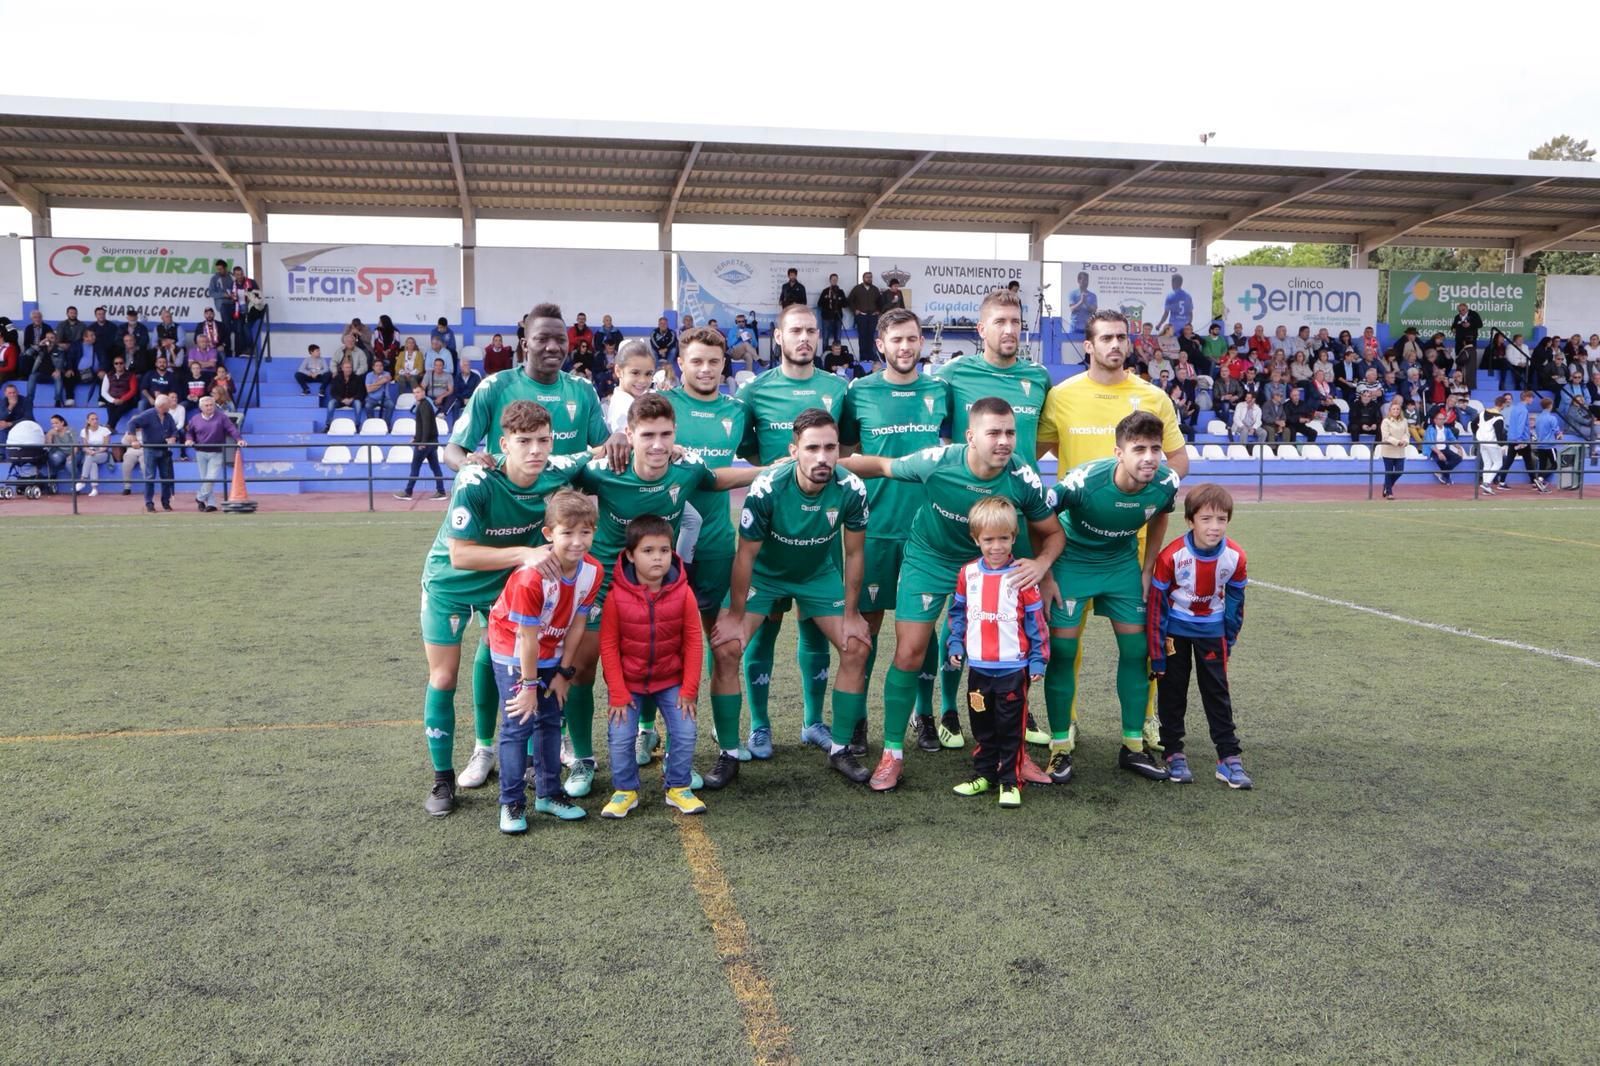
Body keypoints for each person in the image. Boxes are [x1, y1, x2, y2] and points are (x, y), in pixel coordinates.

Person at [840, 398, 1063, 791]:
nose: (1004, 441)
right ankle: (892, 752)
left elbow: (1054, 532)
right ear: (970, 436)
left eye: (1010, 432)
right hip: (930, 559)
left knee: (1010, 658)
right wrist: (816, 466)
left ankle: (1015, 757)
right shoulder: (938, 461)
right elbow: (879, 465)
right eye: (994, 432)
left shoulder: (1023, 476)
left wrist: (1042, 567)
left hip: (991, 564)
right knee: (909, 651)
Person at [417, 401, 589, 817]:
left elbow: (601, 454)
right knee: (443, 677)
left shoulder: (556, 470)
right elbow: (459, 555)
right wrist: (525, 554)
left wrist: (629, 443)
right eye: (524, 441)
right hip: (450, 586)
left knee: (497, 665)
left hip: (501, 589)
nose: (535, 450)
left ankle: (491, 750)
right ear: (503, 443)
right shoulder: (476, 479)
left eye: (543, 440)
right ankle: (442, 777)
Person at [1035, 307, 1187, 758]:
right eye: (1106, 338)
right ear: (1089, 345)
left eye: (1122, 337)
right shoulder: (1062, 396)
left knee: (1139, 645)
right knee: (1067, 647)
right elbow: (1033, 453)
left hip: (1129, 547)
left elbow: (1176, 463)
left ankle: (1142, 725)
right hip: (1073, 542)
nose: (1115, 345)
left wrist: (1155, 487)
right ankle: (1067, 726)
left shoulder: (1153, 396)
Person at [710, 408, 874, 786]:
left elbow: (855, 554)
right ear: (794, 450)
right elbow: (746, 554)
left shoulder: (851, 488)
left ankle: (841, 750)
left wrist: (851, 613)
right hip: (766, 575)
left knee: (857, 646)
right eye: (812, 448)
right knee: (727, 647)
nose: (822, 457)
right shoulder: (768, 486)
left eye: (830, 447)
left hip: (817, 574)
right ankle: (729, 753)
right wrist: (735, 614)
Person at [734, 304, 850, 756]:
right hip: (769, 531)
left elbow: (846, 445)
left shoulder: (838, 388)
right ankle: (760, 726)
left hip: (822, 530)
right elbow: (747, 449)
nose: (804, 338)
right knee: (762, 628)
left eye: (811, 331)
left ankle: (812, 722)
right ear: (778, 338)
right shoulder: (756, 392)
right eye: (794, 331)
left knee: (816, 627)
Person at [1041, 412, 1179, 783]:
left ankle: (1133, 747)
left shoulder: (1166, 482)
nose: (1149, 457)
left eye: (1155, 449)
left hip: (1120, 565)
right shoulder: (1083, 482)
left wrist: (1148, 567)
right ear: (1119, 452)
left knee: (1137, 652)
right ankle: (1059, 748)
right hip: (1072, 561)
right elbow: (1036, 515)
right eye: (1138, 449)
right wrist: (1046, 573)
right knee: (1064, 652)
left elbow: (1161, 515)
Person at [837, 309, 951, 756]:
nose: (905, 347)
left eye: (912, 339)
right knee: (869, 625)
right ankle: (860, 718)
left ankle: (925, 716)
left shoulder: (941, 391)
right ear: (880, 345)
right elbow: (845, 456)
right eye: (896, 340)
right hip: (876, 528)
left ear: (921, 342)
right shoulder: (859, 392)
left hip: (931, 529)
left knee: (924, 628)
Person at [664, 326, 756, 775]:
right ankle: (650, 730)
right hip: (663, 549)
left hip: (718, 546)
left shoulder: (737, 412)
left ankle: (729, 750)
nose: (705, 369)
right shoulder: (663, 408)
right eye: (696, 361)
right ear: (680, 362)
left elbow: (761, 455)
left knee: (724, 648)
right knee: (662, 649)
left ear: (725, 365)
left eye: (714, 362)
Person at [486, 489, 603, 833]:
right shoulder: (531, 577)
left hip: (552, 645)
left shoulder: (592, 571)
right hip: (515, 648)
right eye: (568, 533)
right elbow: (525, 637)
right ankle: (511, 803)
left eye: (586, 532)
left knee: (552, 720)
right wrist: (528, 685)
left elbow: (579, 623)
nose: (578, 542)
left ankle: (549, 794)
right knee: (518, 723)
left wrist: (565, 672)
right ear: (549, 534)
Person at [599, 515, 706, 819]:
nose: (657, 557)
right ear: (630, 555)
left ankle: (678, 787)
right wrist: (618, 692)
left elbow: (694, 642)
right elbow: (608, 646)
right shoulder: (616, 597)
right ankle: (625, 791)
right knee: (620, 736)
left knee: (685, 730)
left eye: (664, 550)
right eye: (647, 551)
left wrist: (689, 690)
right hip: (629, 683)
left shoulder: (684, 592)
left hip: (671, 679)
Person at [945, 496, 1048, 809]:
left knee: (1009, 729)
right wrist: (955, 643)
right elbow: (958, 612)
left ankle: (1009, 782)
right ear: (976, 539)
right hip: (978, 669)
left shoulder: (1022, 576)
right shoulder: (968, 575)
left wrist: (1037, 659)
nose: (996, 546)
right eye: (988, 540)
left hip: (1012, 671)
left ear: (1014, 538)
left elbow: (1036, 622)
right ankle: (985, 775)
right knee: (982, 727)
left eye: (1004, 538)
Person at [1147, 483, 1252, 789]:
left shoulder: (1235, 556)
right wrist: (1156, 651)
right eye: (1206, 519)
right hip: (1175, 634)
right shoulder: (1172, 556)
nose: (1214, 527)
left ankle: (1228, 757)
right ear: (1190, 520)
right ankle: (1173, 752)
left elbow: (1235, 603)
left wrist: (1228, 639)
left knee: (1217, 693)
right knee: (1173, 692)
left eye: (1221, 519)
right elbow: (1156, 607)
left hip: (1212, 633)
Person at [446, 302, 620, 473]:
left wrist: (618, 440)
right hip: (510, 500)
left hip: (566, 500)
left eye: (561, 340)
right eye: (542, 339)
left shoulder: (583, 389)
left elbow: (604, 449)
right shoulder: (494, 387)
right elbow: (453, 450)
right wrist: (467, 462)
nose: (553, 347)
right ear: (524, 345)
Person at [185, 394, 246, 511]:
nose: (209, 407)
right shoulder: (195, 419)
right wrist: (189, 439)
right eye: (206, 405)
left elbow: (231, 429)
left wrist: (239, 439)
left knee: (211, 478)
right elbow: (189, 432)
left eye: (211, 405)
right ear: (201, 407)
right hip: (200, 452)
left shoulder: (222, 417)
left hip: (216, 452)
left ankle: (200, 497)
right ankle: (211, 504)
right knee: (205, 479)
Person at [126, 394, 179, 512]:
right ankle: (149, 503)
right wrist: (134, 439)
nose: (171, 406)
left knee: (166, 477)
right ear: (162, 406)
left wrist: (173, 438)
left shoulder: (168, 416)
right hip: (150, 450)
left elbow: (175, 431)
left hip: (164, 450)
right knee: (150, 477)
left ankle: (166, 502)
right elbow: (132, 423)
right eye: (168, 404)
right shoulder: (148, 414)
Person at [604, 340, 656, 434]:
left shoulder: (643, 398)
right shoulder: (622, 408)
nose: (642, 380)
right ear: (618, 371)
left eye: (648, 374)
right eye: (635, 373)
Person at [1476, 394, 1509, 496]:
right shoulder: (1498, 417)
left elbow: (1473, 424)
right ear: (1502, 404)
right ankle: (1487, 483)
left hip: (1482, 441)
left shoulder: (1483, 412)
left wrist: (1479, 434)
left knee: (1487, 463)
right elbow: (1499, 433)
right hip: (1492, 443)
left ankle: (1486, 486)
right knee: (1498, 463)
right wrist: (1503, 445)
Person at [74, 410, 111, 496]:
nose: (95, 421)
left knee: (90, 458)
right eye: (92, 419)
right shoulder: (84, 431)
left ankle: (82, 480)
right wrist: (89, 451)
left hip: (102, 453)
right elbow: (85, 447)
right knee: (92, 462)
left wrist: (96, 452)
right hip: (90, 454)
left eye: (96, 419)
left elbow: (105, 446)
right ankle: (94, 488)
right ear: (88, 421)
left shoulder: (105, 430)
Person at [1423, 407, 1464, 485]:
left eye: (1443, 419)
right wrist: (1439, 453)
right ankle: (1446, 478)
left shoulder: (1446, 429)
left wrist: (1459, 448)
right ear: (1435, 420)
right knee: (1441, 461)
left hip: (1444, 448)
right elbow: (1431, 444)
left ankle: (1442, 473)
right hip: (1433, 450)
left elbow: (1452, 439)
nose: (1441, 420)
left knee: (1458, 458)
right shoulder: (1430, 429)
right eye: (1439, 419)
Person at [1378, 397, 1409, 499]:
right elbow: (1386, 437)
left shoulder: (1404, 421)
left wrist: (1405, 441)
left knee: (1400, 471)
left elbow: (1406, 433)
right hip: (1389, 450)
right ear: (1390, 411)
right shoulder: (1386, 421)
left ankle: (1387, 486)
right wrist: (1397, 442)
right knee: (1389, 471)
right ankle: (1389, 493)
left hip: (1400, 451)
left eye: (1398, 409)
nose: (1396, 411)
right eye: (1394, 409)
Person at [99, 354, 139, 431]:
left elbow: (133, 390)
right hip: (113, 399)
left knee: (120, 407)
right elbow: (103, 392)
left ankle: (109, 426)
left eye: (121, 363)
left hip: (127, 400)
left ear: (124, 364)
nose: (119, 365)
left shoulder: (131, 375)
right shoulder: (108, 375)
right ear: (114, 365)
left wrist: (122, 399)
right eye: (116, 363)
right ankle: (111, 427)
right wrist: (113, 400)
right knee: (111, 405)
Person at [847, 271, 881, 357]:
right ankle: (863, 357)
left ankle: (871, 356)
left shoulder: (875, 289)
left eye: (870, 277)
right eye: (867, 277)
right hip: (861, 316)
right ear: (863, 278)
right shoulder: (857, 288)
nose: (869, 279)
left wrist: (878, 310)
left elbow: (880, 302)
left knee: (871, 336)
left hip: (872, 316)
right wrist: (855, 310)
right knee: (862, 337)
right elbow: (850, 300)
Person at [325, 359, 366, 431]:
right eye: (347, 367)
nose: (349, 369)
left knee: (358, 403)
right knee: (331, 403)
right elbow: (333, 393)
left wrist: (352, 399)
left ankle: (357, 425)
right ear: (342, 368)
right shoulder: (337, 378)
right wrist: (341, 400)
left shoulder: (357, 378)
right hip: (340, 401)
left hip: (352, 400)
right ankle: (328, 425)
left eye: (350, 367)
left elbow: (361, 392)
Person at [1533, 397, 1561, 493]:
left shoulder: (1538, 418)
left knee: (1542, 465)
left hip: (1540, 445)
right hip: (1549, 445)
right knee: (1554, 465)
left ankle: (1540, 484)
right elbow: (1557, 432)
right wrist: (1560, 435)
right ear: (1550, 405)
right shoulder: (1552, 418)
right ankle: (1540, 479)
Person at [1452, 303, 1483, 389]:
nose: (1461, 312)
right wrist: (1454, 329)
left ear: (1467, 309)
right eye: (1459, 311)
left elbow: (1480, 324)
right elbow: (1453, 326)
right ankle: (1457, 383)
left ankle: (1468, 385)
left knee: (1469, 362)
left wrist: (1470, 325)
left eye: (1463, 310)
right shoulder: (1457, 317)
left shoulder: (1474, 314)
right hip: (1459, 342)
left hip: (1470, 342)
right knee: (1459, 360)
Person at [44, 414, 75, 496]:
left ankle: (76, 484)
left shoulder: (70, 430)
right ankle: (52, 479)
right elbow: (49, 447)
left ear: (62, 422)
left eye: (56, 423)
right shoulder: (52, 432)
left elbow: (76, 446)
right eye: (52, 424)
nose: (54, 425)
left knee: (69, 464)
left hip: (73, 452)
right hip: (61, 452)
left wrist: (71, 455)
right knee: (53, 458)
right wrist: (49, 435)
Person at [818, 273, 848, 352]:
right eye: (833, 279)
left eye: (836, 279)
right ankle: (825, 356)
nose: (834, 281)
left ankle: (837, 355)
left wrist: (838, 300)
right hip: (827, 318)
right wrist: (828, 300)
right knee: (825, 338)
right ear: (830, 280)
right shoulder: (825, 291)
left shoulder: (840, 292)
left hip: (837, 317)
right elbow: (819, 304)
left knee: (837, 338)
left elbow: (845, 304)